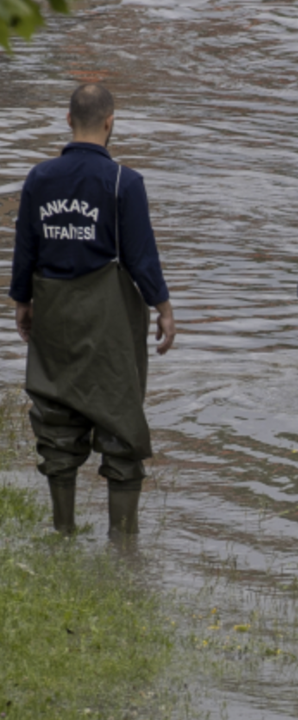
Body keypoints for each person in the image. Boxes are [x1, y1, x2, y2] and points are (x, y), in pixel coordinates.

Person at [8, 83, 177, 536]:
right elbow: (141, 258)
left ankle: (63, 530)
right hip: (111, 323)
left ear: (68, 121)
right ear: (110, 122)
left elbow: (25, 249)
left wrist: (22, 302)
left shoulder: (39, 178)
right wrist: (163, 307)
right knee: (120, 419)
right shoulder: (126, 182)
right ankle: (123, 543)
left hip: (54, 313)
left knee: (56, 418)